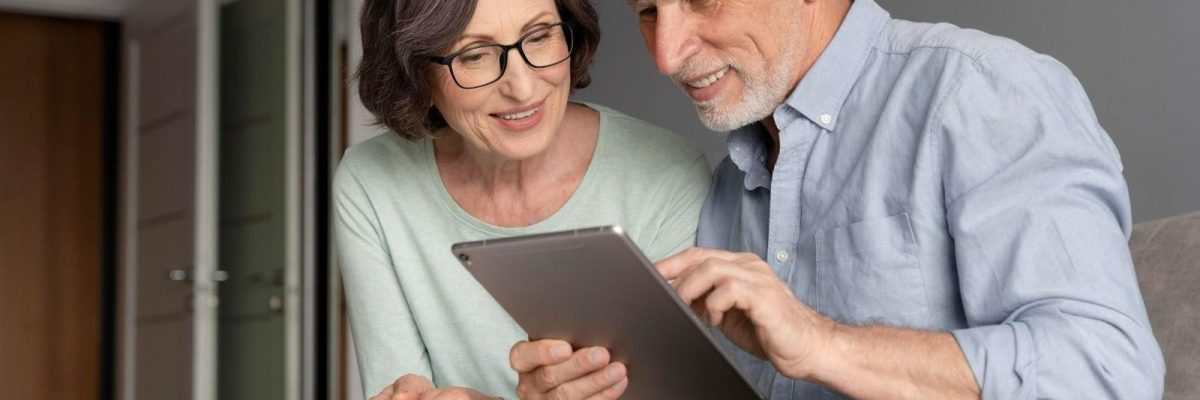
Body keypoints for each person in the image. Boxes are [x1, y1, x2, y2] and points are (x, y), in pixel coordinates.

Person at [510, 0, 1166, 398]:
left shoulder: (979, 92)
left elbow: (1109, 373)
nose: (666, 54)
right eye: (649, 11)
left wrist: (823, 344)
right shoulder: (730, 185)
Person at [333, 0, 712, 398]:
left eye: (540, 36)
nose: (523, 88)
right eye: (475, 55)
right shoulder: (371, 185)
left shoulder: (668, 177)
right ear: (413, 72)